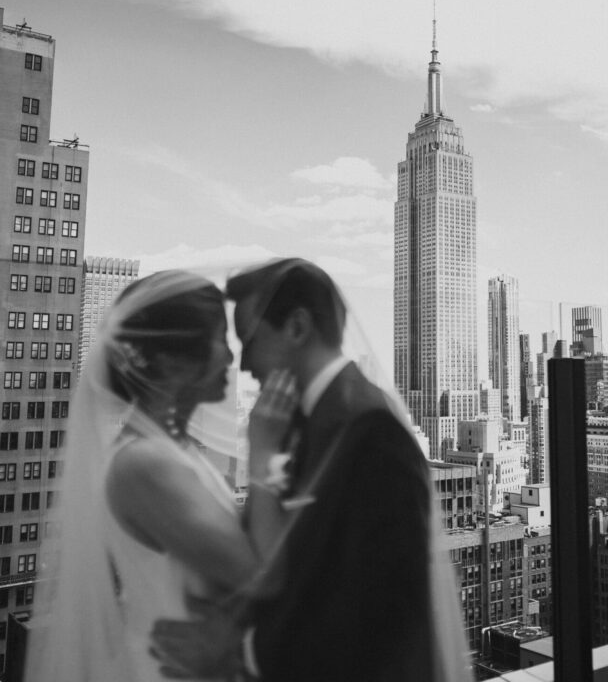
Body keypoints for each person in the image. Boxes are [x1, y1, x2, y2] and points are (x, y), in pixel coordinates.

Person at [152, 258, 470, 681]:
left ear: (297, 328)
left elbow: (386, 620)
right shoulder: (294, 422)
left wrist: (240, 655)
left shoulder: (374, 433)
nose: (243, 363)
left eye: (249, 339)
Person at [25, 270, 291, 682]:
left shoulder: (176, 451)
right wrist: (265, 451)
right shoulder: (144, 463)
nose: (230, 357)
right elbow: (260, 577)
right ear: (170, 361)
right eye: (220, 339)